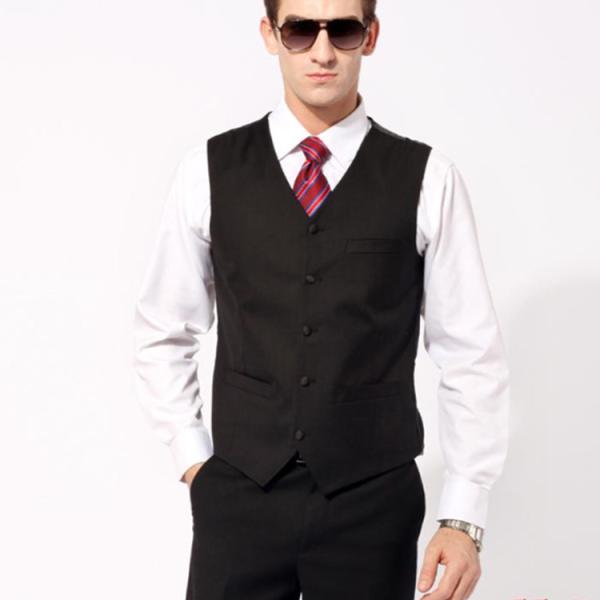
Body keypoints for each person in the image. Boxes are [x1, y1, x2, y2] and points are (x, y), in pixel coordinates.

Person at [132, 1, 511, 598]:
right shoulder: (207, 170)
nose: (323, 51)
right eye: (301, 30)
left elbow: (471, 353)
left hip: (373, 504)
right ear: (270, 34)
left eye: (344, 29)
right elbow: (162, 331)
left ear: (371, 36)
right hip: (239, 496)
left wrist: (464, 515)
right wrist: (195, 462)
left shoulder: (428, 177)